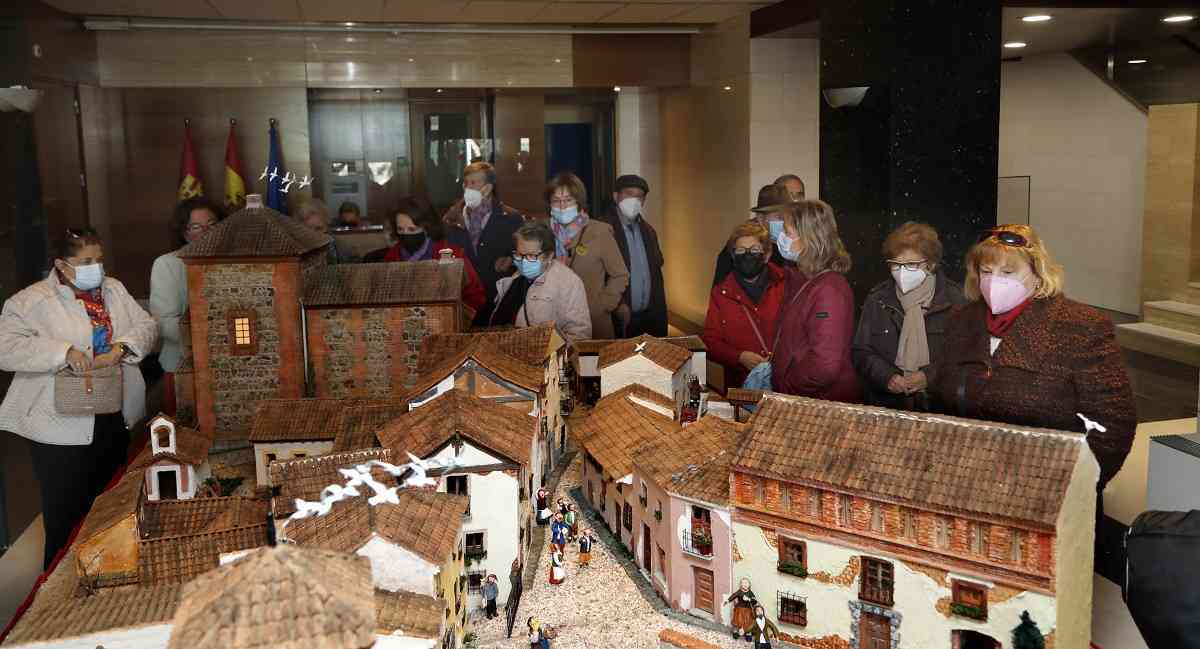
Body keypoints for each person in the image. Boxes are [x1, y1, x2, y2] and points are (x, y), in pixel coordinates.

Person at [933, 224, 1136, 489]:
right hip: (969, 488)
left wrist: (1074, 488)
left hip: (1051, 494)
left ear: (1037, 274)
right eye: (986, 271)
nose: (995, 281)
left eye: (1007, 272)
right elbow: (940, 403)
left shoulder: (1082, 327)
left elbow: (1112, 425)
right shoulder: (961, 321)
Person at [0, 228, 157, 569]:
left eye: (99, 260)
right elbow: (6, 349)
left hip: (112, 414)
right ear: (61, 264)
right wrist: (63, 352)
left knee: (111, 506)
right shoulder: (29, 302)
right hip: (58, 427)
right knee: (66, 514)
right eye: (85, 262)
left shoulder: (113, 289)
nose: (95, 268)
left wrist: (123, 347)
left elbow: (147, 326)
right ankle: (57, 597)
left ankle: (109, 577)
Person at [852, 222, 966, 411]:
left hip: (940, 409)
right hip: (886, 407)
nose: (902, 272)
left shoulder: (955, 300)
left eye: (912, 265)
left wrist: (928, 377)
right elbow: (861, 351)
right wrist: (887, 377)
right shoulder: (878, 299)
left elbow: (964, 357)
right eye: (896, 265)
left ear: (931, 264)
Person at [770, 200, 860, 403]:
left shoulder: (828, 290)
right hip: (807, 398)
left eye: (788, 233)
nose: (781, 239)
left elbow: (825, 366)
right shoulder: (808, 279)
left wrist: (787, 385)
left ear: (810, 238)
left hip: (821, 404)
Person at [150, 197, 221, 415]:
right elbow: (164, 323)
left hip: (227, 365)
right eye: (197, 226)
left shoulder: (232, 259)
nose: (206, 231)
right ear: (184, 233)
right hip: (183, 367)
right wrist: (213, 337)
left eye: (212, 224)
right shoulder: (167, 264)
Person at [703, 222, 789, 390]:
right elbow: (710, 341)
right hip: (742, 388)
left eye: (755, 250)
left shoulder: (786, 284)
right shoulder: (721, 293)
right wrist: (739, 357)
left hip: (784, 384)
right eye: (741, 250)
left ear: (767, 254)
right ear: (733, 256)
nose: (748, 255)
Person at [544, 173, 629, 339]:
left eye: (568, 200)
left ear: (579, 202)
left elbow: (620, 274)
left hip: (593, 322)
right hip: (551, 322)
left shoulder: (599, 232)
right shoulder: (542, 231)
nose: (562, 206)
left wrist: (603, 305)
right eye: (556, 200)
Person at [490, 221, 591, 342]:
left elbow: (579, 335)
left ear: (549, 256)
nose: (523, 261)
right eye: (519, 254)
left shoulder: (569, 282)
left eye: (531, 256)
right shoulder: (515, 278)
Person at [444, 161, 525, 312]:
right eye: (465, 183)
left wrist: (511, 259)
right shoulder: (452, 218)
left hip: (499, 298)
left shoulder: (511, 218)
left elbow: (524, 253)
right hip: (464, 299)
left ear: (487, 188)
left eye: (473, 183)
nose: (468, 187)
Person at [381, 196, 486, 312]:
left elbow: (476, 296)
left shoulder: (452, 255)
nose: (406, 234)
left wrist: (455, 316)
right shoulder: (391, 257)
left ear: (427, 228)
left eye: (412, 229)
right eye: (401, 229)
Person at [603, 175, 667, 337]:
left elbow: (656, 275)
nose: (634, 200)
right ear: (616, 196)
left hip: (648, 318)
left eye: (639, 197)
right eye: (629, 194)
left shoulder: (649, 232)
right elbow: (597, 277)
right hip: (618, 317)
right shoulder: (602, 230)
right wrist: (616, 304)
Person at [712, 184, 795, 286]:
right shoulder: (741, 245)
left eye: (788, 216)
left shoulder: (792, 243)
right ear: (761, 218)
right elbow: (721, 289)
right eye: (779, 216)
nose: (785, 222)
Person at [298, 198, 355, 264]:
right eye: (307, 229)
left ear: (327, 226)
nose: (313, 234)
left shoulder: (340, 248)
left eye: (318, 228)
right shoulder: (295, 251)